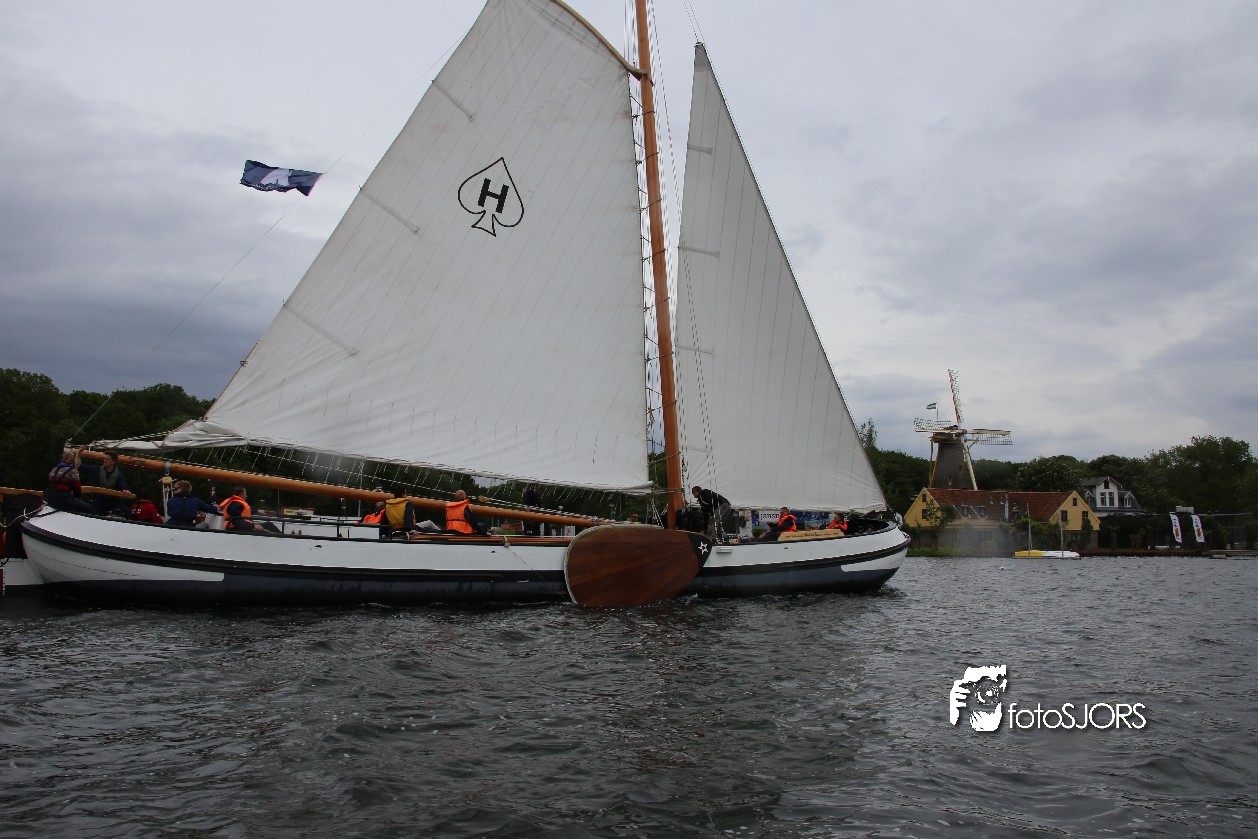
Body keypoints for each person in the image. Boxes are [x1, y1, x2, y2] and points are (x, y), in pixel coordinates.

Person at [45, 448, 97, 514]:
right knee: (90, 509)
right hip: (62, 500)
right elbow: (77, 490)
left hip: (49, 498)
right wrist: (79, 500)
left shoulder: (54, 469)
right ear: (73, 461)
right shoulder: (73, 471)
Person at [91, 451, 130, 516]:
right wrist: (78, 453)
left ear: (113, 462)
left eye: (107, 459)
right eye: (104, 459)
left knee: (127, 512)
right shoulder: (97, 469)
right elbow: (79, 466)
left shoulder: (119, 476)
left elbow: (123, 488)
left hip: (111, 502)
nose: (104, 461)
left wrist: (126, 491)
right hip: (98, 501)